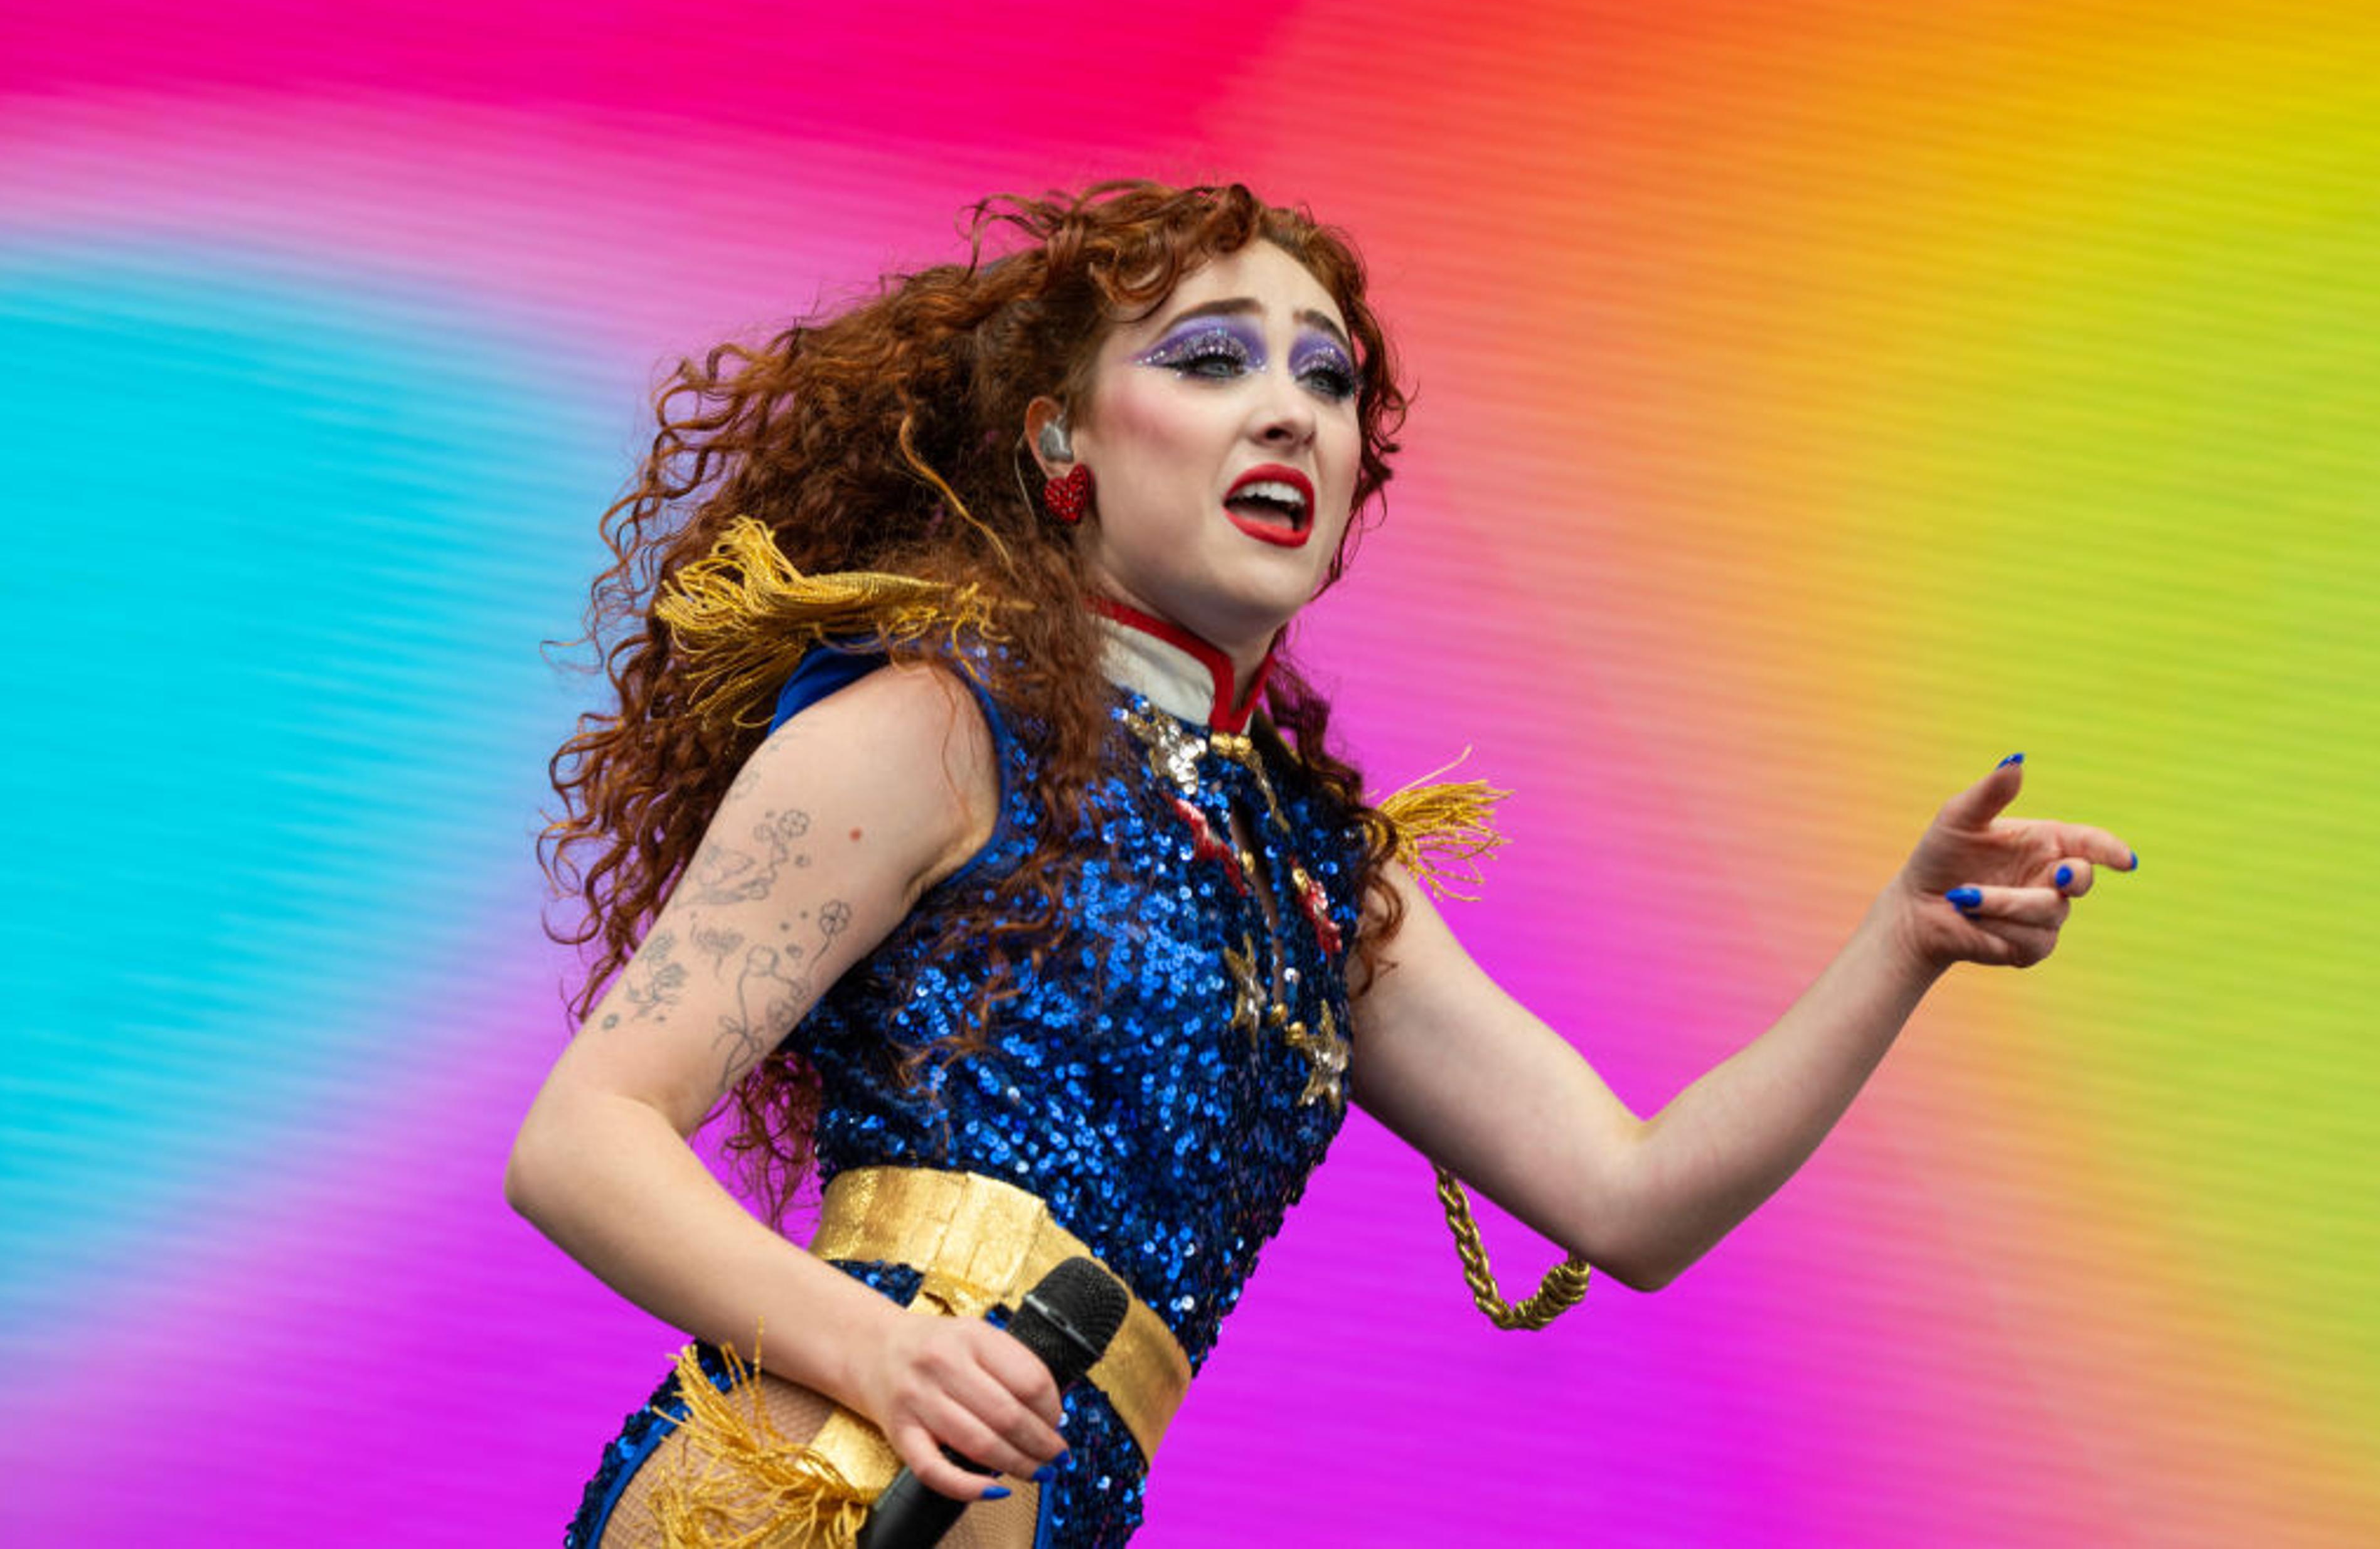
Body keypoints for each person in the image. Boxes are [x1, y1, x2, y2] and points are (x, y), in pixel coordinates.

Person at [508, 181, 2135, 1549]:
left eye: (1331, 380)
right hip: (816, 1481)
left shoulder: (1311, 878)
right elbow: (583, 1138)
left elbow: (1633, 1204)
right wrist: (879, 1349)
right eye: (1211, 361)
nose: (1290, 407)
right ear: (1063, 436)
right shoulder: (936, 724)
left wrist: (1901, 940)